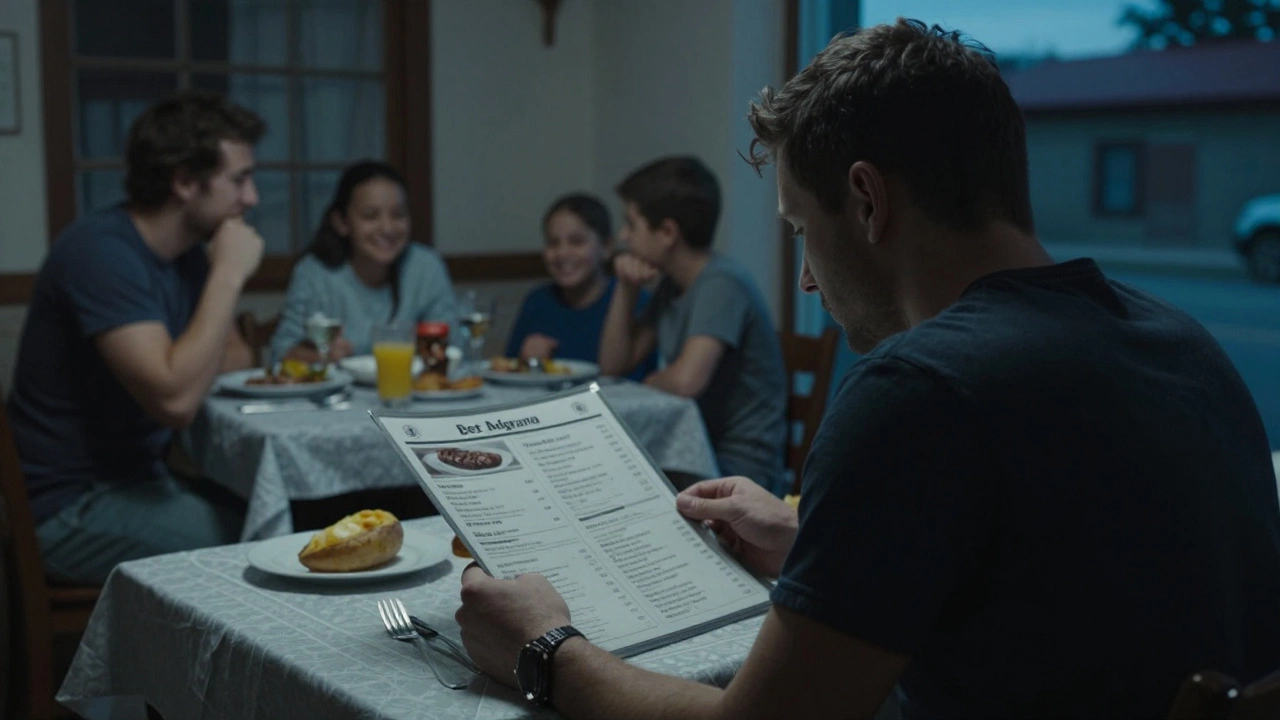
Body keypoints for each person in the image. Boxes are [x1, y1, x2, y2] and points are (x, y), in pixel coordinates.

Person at [454, 19, 1280, 720]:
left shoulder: (922, 391)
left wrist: (543, 648)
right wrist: (816, 540)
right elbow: (1060, 578)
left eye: (800, 231)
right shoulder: (1182, 343)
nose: (808, 279)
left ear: (867, 200)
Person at [8, 91, 266, 585]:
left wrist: (213, 284)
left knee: (291, 517)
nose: (251, 198)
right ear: (185, 181)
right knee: (268, 549)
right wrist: (228, 275)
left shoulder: (189, 256)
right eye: (239, 180)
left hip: (144, 481)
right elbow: (174, 401)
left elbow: (234, 356)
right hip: (70, 507)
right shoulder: (99, 253)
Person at [598, 157, 788, 495]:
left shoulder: (722, 283)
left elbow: (686, 381)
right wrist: (626, 288)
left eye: (631, 223)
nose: (623, 235)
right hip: (692, 451)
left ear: (668, 232)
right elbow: (613, 364)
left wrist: (651, 380)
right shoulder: (673, 284)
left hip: (740, 468)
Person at [270, 161, 457, 362]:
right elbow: (280, 353)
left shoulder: (425, 267)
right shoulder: (314, 274)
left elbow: (452, 346)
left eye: (398, 215)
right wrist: (321, 356)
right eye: (370, 216)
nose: (387, 228)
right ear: (342, 223)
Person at [504, 193, 656, 381]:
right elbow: (505, 372)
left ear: (606, 247)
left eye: (577, 242)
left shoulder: (636, 300)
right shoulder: (537, 301)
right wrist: (525, 362)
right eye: (553, 243)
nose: (562, 253)